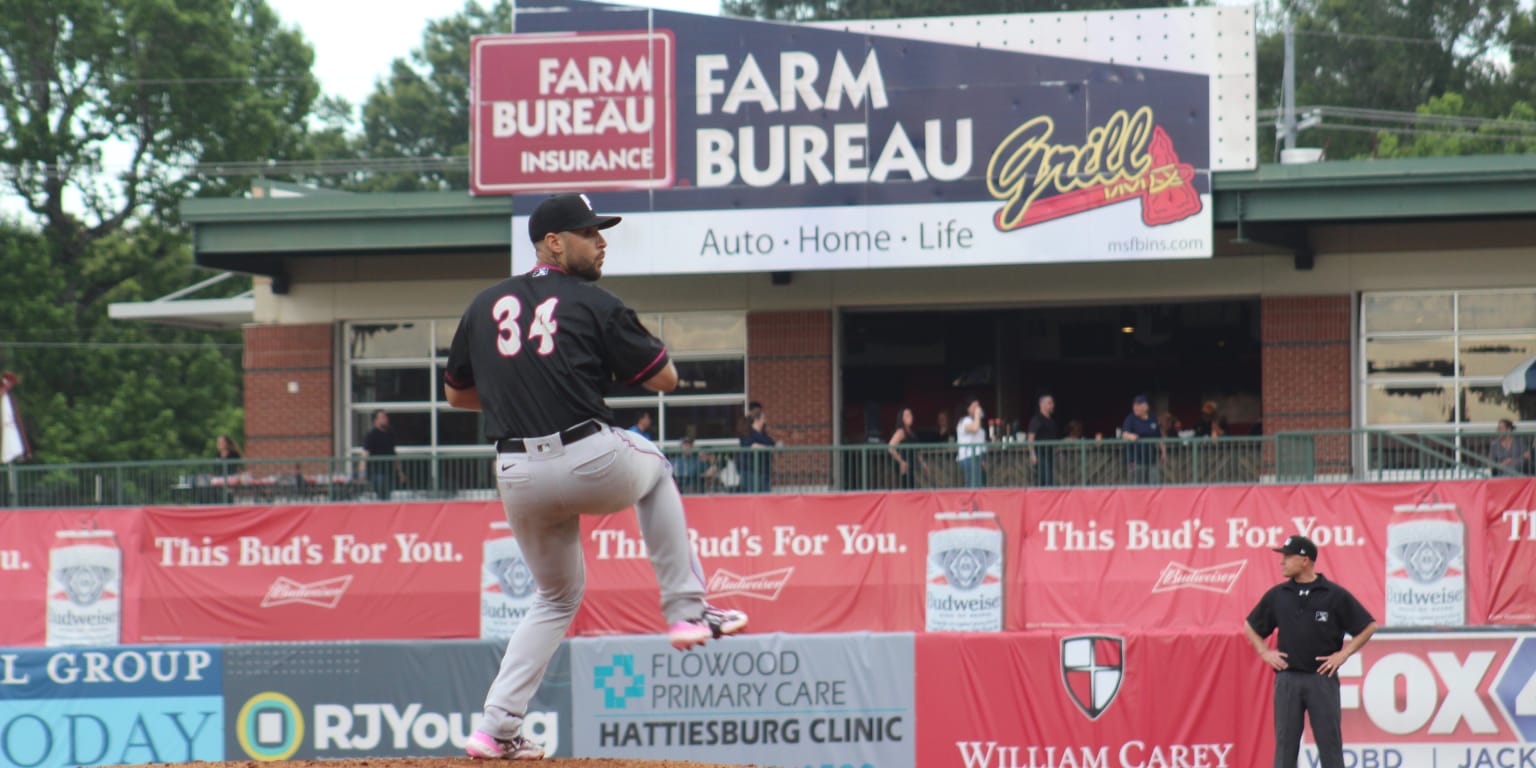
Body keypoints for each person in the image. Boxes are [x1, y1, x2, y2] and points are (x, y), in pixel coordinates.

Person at [443, 193, 746, 761]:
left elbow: (457, 394)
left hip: (517, 473)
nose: (601, 241)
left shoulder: (484, 305)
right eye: (589, 232)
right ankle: (687, 611)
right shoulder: (593, 302)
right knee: (654, 469)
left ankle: (494, 727)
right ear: (554, 242)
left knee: (555, 595)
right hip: (588, 458)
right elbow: (666, 380)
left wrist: (524, 384)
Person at [1244, 536, 1377, 768]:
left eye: (1287, 556)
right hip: (1288, 678)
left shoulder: (1333, 594)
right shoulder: (1278, 595)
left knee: (1329, 746)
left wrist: (1342, 655)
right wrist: (1265, 652)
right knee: (1285, 747)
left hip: (1321, 679)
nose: (1282, 562)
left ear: (1305, 560)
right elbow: (1251, 626)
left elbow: (1369, 626)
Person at [361, 410, 405, 500]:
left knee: (387, 494)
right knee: (381, 493)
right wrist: (362, 472)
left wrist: (400, 472)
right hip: (377, 471)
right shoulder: (371, 435)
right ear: (375, 420)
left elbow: (394, 453)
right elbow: (365, 454)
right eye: (382, 417)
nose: (385, 419)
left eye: (386, 417)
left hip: (389, 471)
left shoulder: (390, 433)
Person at [1121, 394, 1163, 484]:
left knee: (1154, 484)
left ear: (1145, 407)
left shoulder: (1153, 419)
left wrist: (1164, 451)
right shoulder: (1130, 418)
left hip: (1151, 459)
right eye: (1134, 405)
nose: (1135, 407)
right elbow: (1124, 434)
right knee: (1137, 485)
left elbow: (1159, 437)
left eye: (1138, 405)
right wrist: (1130, 436)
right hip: (1135, 459)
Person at [739, 404, 780, 493]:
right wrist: (769, 448)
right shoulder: (748, 433)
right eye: (763, 419)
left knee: (765, 497)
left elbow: (773, 446)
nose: (764, 421)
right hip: (751, 472)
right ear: (756, 420)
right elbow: (753, 446)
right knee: (754, 497)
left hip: (765, 471)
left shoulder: (764, 435)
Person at [1026, 394, 1059, 487]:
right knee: (1046, 481)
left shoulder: (1052, 421)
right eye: (1050, 403)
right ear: (1042, 405)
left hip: (1050, 455)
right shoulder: (1037, 420)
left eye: (1052, 403)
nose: (1052, 405)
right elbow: (1030, 438)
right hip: (1040, 455)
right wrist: (1033, 454)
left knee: (1050, 481)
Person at [956, 398, 987, 488]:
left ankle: (976, 502)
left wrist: (983, 458)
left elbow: (980, 440)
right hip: (968, 457)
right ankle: (971, 502)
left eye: (978, 406)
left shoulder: (977, 422)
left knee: (978, 484)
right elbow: (974, 428)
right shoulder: (965, 421)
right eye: (974, 406)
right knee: (972, 484)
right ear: (968, 409)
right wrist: (977, 415)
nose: (977, 409)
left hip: (977, 457)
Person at [887, 406, 918, 489]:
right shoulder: (901, 431)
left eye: (911, 415)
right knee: (905, 489)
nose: (910, 417)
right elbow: (890, 447)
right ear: (902, 419)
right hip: (903, 467)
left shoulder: (912, 432)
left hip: (911, 465)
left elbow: (917, 451)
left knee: (911, 488)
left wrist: (923, 464)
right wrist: (901, 461)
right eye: (907, 415)